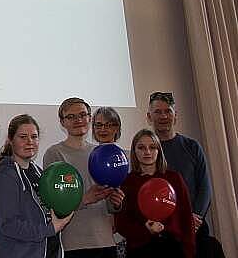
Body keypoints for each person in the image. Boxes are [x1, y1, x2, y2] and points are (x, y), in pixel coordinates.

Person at [43, 97, 124, 258]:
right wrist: (85, 199)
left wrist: (116, 202)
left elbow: (110, 207)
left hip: (106, 241)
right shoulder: (55, 154)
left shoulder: (101, 152)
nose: (78, 120)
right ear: (62, 122)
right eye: (71, 117)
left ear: (89, 118)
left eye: (82, 115)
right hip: (74, 244)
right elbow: (55, 206)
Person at [147, 92, 224, 257]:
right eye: (158, 112)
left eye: (168, 111)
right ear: (149, 116)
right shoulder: (146, 151)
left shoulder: (192, 146)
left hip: (195, 228)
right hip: (164, 233)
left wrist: (194, 218)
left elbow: (205, 187)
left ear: (175, 115)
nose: (163, 116)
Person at [0, 114, 73, 258]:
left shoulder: (39, 173)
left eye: (34, 137)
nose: (29, 142)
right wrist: (50, 229)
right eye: (23, 137)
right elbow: (9, 225)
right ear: (10, 140)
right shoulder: (5, 175)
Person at [115, 129, 196, 258]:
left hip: (173, 247)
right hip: (140, 248)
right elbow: (121, 223)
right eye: (141, 147)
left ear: (159, 151)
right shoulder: (127, 182)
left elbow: (186, 217)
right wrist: (145, 230)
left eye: (152, 147)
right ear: (134, 151)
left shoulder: (174, 178)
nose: (147, 152)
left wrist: (189, 251)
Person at [92, 106, 128, 258]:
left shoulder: (128, 157)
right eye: (98, 125)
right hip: (96, 234)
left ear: (117, 127)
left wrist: (117, 207)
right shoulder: (89, 157)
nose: (103, 129)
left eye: (108, 125)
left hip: (125, 232)